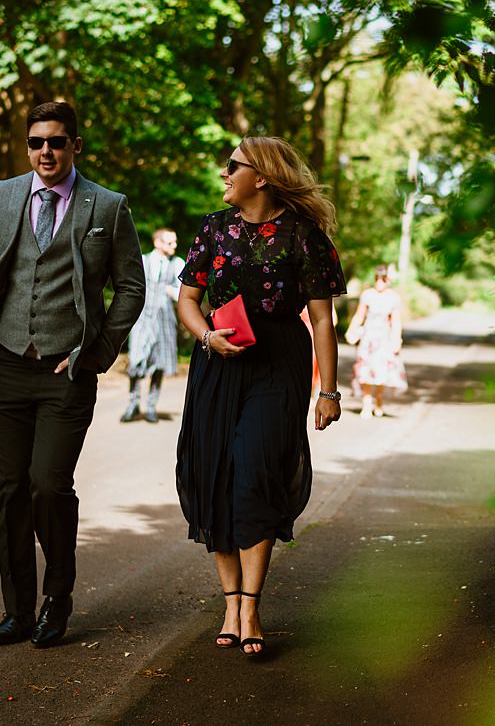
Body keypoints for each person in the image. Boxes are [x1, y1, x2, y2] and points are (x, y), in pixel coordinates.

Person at [0, 101, 145, 649]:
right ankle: (18, 611)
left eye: (56, 141)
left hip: (66, 371)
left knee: (48, 486)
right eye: (36, 143)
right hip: (5, 363)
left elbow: (131, 287)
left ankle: (58, 597)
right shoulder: (0, 197)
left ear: (76, 145)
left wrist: (96, 353)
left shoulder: (108, 206)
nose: (45, 151)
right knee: (9, 491)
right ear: (27, 147)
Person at [175, 136, 346, 657]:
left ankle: (251, 606)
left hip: (278, 366)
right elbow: (187, 299)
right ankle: (229, 603)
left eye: (233, 166)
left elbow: (321, 319)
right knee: (216, 479)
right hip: (218, 364)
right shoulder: (213, 228)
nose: (224, 174)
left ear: (263, 176)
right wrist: (206, 336)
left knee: (255, 474)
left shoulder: (304, 237)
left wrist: (329, 391)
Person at [122, 227, 185, 423]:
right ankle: (133, 404)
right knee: (136, 360)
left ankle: (151, 407)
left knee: (159, 362)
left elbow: (183, 294)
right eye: (169, 242)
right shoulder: (143, 260)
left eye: (174, 242)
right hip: (142, 317)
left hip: (164, 318)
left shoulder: (177, 264)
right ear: (157, 243)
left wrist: (170, 291)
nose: (174, 246)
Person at [347, 265, 408, 418]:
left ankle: (379, 399)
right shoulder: (368, 295)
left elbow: (396, 322)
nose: (379, 282)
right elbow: (359, 315)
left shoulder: (393, 297)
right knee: (365, 370)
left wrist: (396, 341)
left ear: (388, 280)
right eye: (377, 279)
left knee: (381, 370)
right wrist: (352, 329)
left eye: (383, 279)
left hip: (384, 338)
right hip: (369, 337)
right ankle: (367, 403)